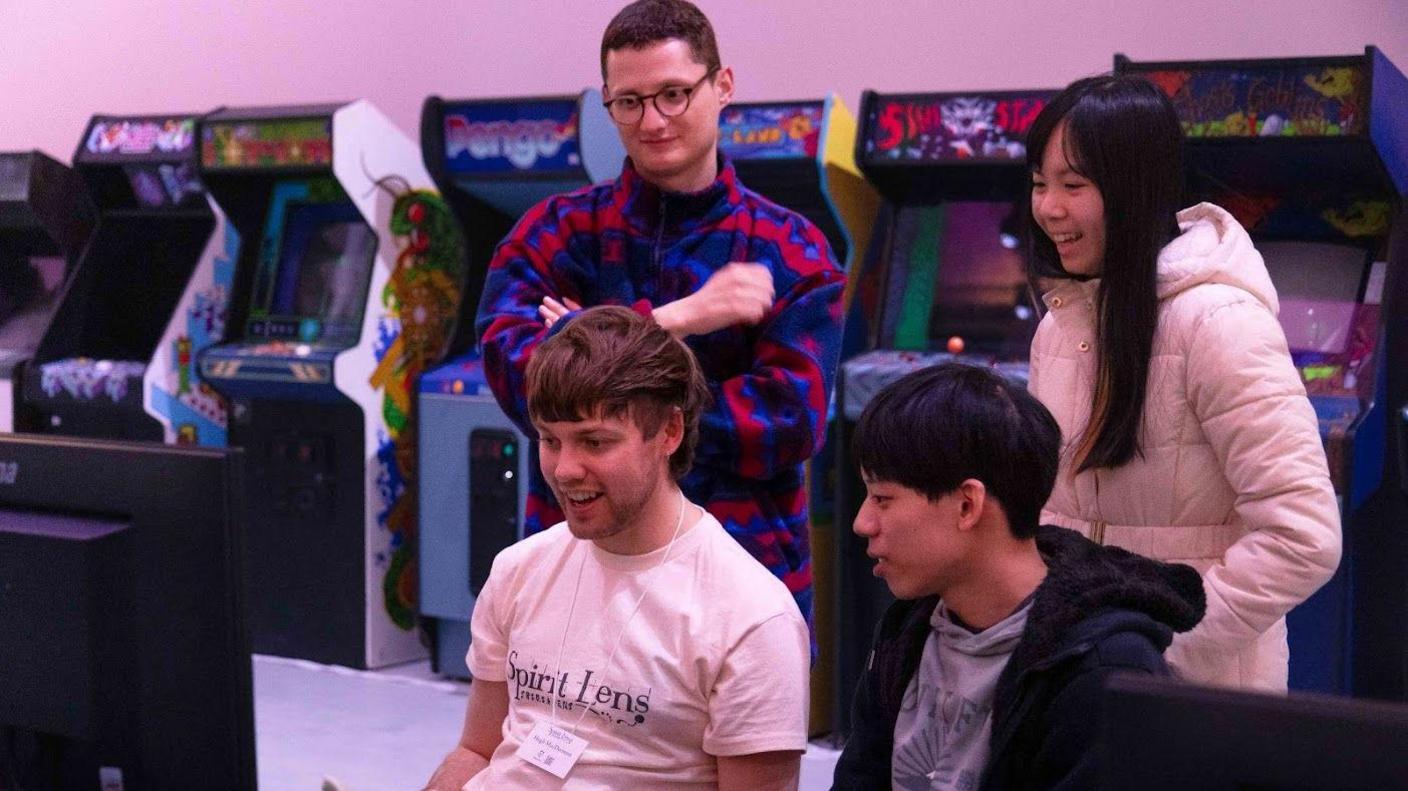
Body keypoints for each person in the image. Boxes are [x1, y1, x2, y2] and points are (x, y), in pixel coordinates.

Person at [475, 0, 845, 627]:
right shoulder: (556, 230)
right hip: (581, 567)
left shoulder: (791, 248)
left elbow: (787, 423)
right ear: (607, 103)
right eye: (630, 101)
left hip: (744, 570)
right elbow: (520, 377)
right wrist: (677, 318)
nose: (653, 120)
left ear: (721, 86)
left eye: (674, 93)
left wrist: (586, 356)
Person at [1024, 74, 1342, 691]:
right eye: (1039, 183)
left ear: (1134, 188)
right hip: (1081, 680)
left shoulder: (1220, 323)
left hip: (1196, 696)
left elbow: (1303, 538)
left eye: (1073, 184)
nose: (1048, 208)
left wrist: (1161, 645)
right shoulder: (1060, 324)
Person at [424, 306, 810, 791]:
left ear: (669, 432)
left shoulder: (751, 618)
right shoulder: (518, 570)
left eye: (595, 442)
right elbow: (477, 750)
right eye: (550, 440)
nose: (565, 470)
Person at [832, 363, 1205, 790]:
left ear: (968, 505)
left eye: (882, 498)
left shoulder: (1100, 668)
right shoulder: (905, 633)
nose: (862, 523)